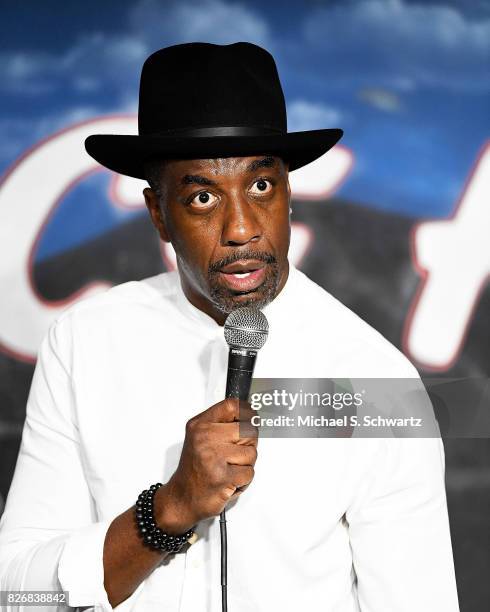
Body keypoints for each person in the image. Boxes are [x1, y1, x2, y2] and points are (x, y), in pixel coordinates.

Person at [0, 42, 460, 611]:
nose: (241, 228)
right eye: (201, 197)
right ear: (158, 214)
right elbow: (16, 592)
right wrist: (169, 508)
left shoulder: (373, 377)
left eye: (261, 186)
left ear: (290, 194)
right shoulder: (84, 343)